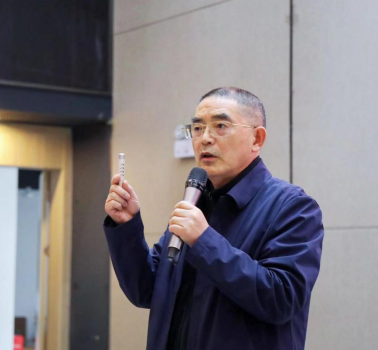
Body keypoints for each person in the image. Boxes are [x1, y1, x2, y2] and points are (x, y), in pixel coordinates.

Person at [103, 87, 324, 350]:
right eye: (197, 128)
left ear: (257, 138)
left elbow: (282, 299)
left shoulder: (293, 207)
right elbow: (147, 290)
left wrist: (204, 241)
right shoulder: (195, 203)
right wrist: (127, 226)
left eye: (220, 126)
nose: (205, 139)